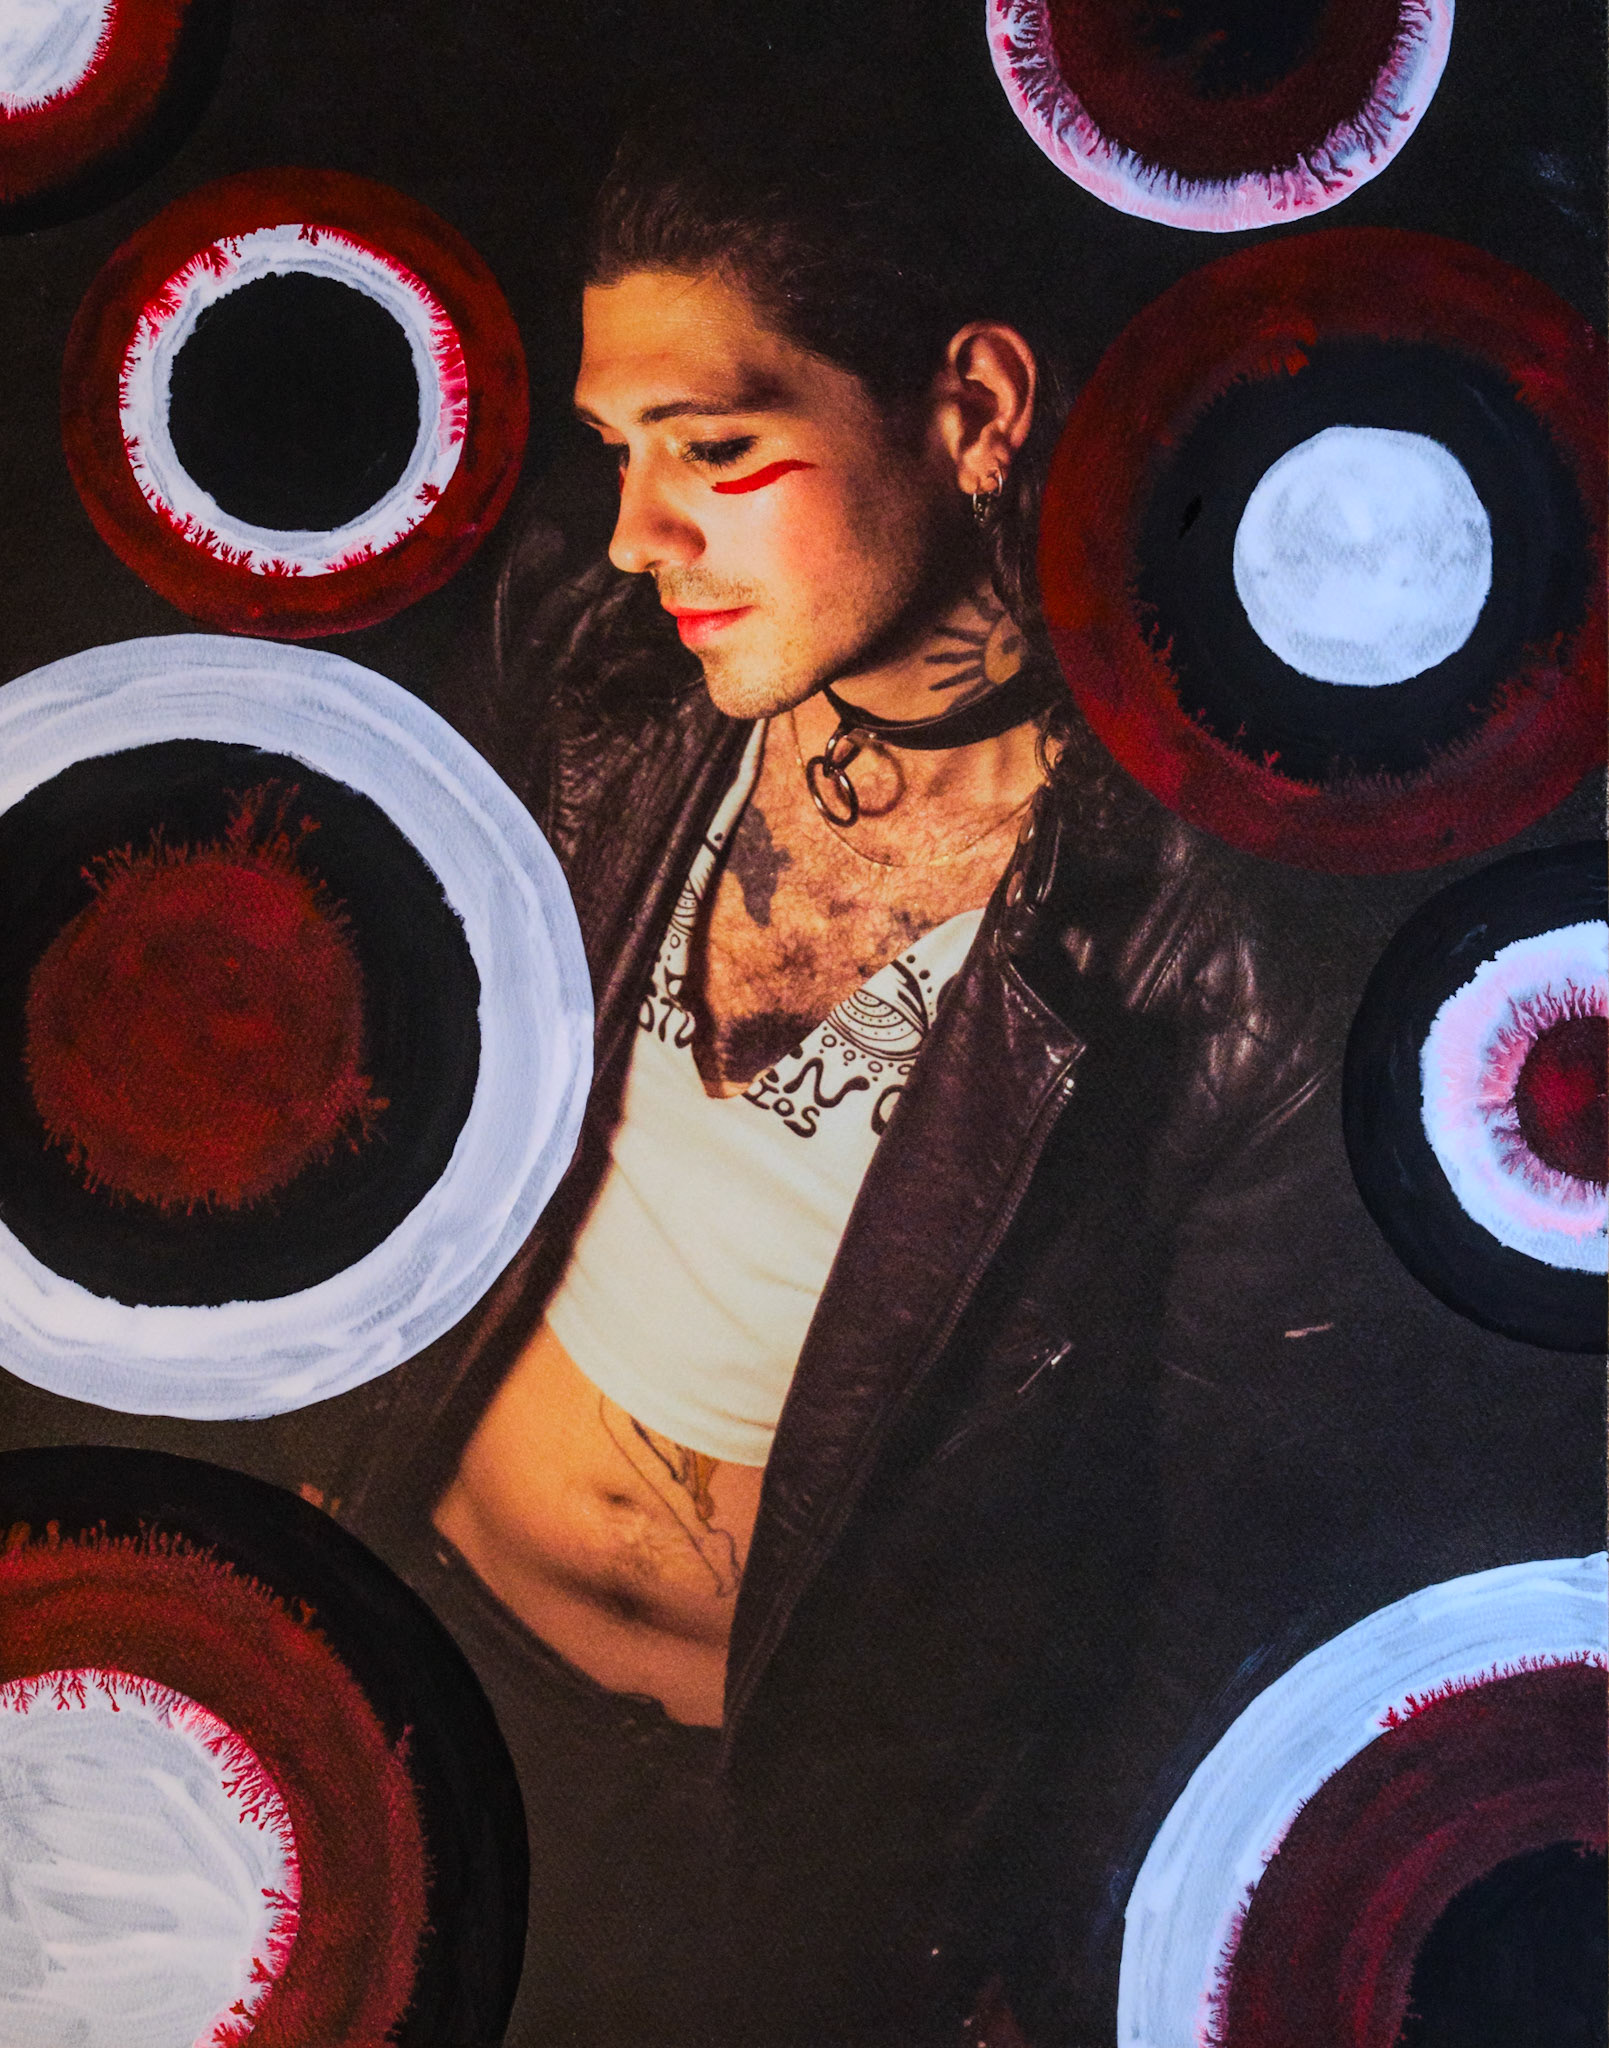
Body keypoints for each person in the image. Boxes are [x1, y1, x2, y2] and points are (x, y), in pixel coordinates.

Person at [328, 95, 1374, 2048]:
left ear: (973, 408)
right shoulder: (595, 670)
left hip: (761, 1848)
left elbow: (1223, 1572)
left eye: (716, 450)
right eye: (622, 452)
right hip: (390, 1619)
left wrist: (1025, 1959)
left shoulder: (1203, 959)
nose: (640, 534)